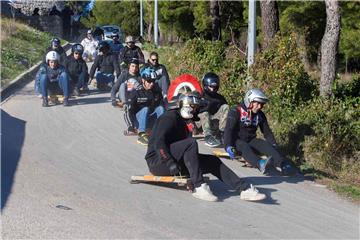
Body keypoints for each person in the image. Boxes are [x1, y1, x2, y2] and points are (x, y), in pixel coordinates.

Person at [144, 91, 266, 202]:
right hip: (158, 162)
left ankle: (243, 189)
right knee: (191, 143)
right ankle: (199, 186)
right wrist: (170, 162)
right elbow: (159, 143)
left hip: (173, 161)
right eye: (196, 108)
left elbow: (185, 152)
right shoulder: (169, 118)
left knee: (212, 161)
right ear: (188, 106)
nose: (197, 111)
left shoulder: (183, 122)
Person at [223, 88, 297, 176]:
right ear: (249, 101)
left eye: (261, 104)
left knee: (266, 145)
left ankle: (283, 165)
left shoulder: (260, 115)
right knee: (244, 146)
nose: (260, 107)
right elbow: (228, 130)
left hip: (250, 140)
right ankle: (260, 164)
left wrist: (273, 146)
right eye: (257, 103)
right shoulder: (235, 111)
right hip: (235, 141)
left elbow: (267, 132)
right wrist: (228, 146)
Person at [126, 67, 164, 145]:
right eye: (149, 81)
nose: (152, 83)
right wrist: (130, 126)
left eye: (153, 81)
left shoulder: (157, 91)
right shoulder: (136, 92)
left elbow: (162, 107)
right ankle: (142, 135)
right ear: (143, 80)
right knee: (145, 109)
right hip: (137, 121)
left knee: (161, 108)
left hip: (150, 118)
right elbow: (127, 111)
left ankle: (162, 131)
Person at [197, 72, 229, 148]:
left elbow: (226, 114)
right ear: (205, 85)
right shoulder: (199, 95)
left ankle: (222, 134)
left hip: (214, 123)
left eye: (214, 87)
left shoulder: (220, 98)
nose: (212, 89)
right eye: (210, 87)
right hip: (200, 124)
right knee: (205, 113)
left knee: (226, 106)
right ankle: (208, 137)